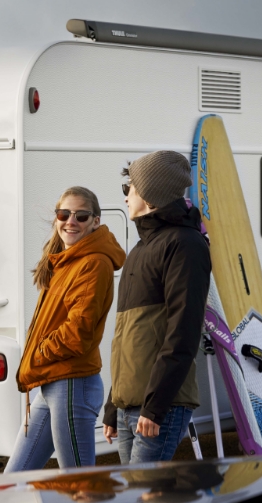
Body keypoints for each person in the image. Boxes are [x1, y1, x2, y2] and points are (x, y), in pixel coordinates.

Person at [5, 186, 126, 472]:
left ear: (95, 221)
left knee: (79, 488)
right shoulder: (65, 260)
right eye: (64, 213)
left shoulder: (93, 262)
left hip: (72, 383)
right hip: (53, 382)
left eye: (81, 216)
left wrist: (38, 353)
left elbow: (78, 332)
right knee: (14, 479)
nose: (71, 221)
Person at [102, 150, 211, 464]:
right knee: (136, 494)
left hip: (162, 404)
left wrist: (155, 406)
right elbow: (128, 339)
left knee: (144, 493)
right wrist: (113, 405)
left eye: (130, 189)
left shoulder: (185, 245)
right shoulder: (139, 249)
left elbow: (183, 332)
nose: (125, 197)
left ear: (150, 196)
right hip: (129, 405)